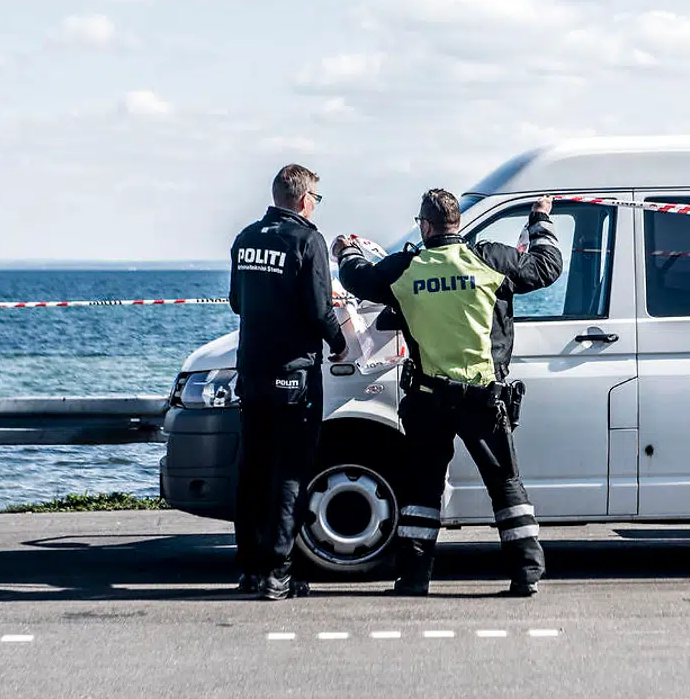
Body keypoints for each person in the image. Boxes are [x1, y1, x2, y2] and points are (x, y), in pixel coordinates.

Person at [335, 189, 562, 597]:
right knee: (505, 485)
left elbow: (358, 279)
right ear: (456, 222)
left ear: (424, 226)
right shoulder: (488, 258)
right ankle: (526, 572)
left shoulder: (407, 268)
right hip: (483, 396)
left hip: (428, 398)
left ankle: (414, 578)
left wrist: (346, 251)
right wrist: (540, 219)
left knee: (423, 490)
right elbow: (546, 268)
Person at [228, 164, 346, 601]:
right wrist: (340, 343)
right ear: (302, 200)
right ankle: (278, 571)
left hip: (252, 371)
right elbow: (319, 308)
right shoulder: (307, 240)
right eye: (316, 197)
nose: (315, 205)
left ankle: (251, 567)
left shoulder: (245, 239)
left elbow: (237, 302)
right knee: (290, 473)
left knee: (253, 470)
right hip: (293, 374)